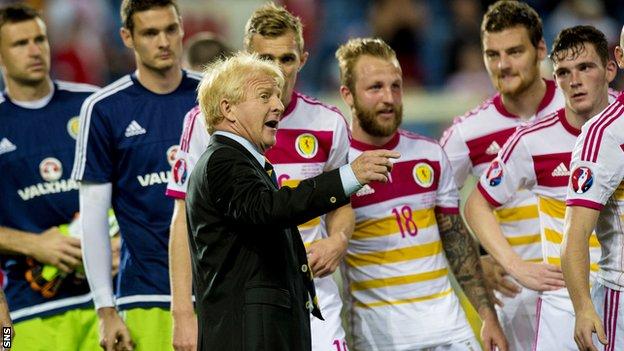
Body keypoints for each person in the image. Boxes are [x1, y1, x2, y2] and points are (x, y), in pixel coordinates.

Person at [166, 3, 354, 350]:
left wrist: (338, 240)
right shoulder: (205, 125)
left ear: (303, 58)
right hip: (250, 299)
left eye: (287, 59)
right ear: (246, 58)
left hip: (315, 295)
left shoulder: (329, 123)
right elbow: (184, 219)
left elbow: (343, 204)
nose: (277, 71)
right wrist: (183, 313)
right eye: (265, 59)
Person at [187, 51, 398, 351]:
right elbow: (270, 209)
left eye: (277, 96)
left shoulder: (242, 162)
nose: (279, 104)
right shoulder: (224, 160)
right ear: (228, 108)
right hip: (249, 338)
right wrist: (347, 176)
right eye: (264, 96)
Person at [335, 37, 507, 351]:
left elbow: (455, 239)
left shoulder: (429, 153)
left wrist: (487, 315)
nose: (389, 98)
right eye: (375, 88)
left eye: (396, 86)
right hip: (382, 341)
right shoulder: (338, 169)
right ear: (347, 94)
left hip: (451, 333)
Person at [467, 25, 618, 350]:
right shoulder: (530, 140)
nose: (574, 80)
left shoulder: (620, 128)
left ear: (609, 69)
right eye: (563, 72)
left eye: (585, 67)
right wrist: (513, 264)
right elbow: (476, 204)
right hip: (564, 307)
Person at [71, 0, 200, 350]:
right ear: (127, 36)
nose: (164, 41)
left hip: (215, 290)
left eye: (170, 29)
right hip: (144, 295)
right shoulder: (104, 109)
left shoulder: (212, 96)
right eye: (150, 33)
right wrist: (104, 309)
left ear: (182, 28)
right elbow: (94, 217)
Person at [440, 2, 566, 349]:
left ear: (541, 50)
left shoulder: (580, 109)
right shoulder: (467, 133)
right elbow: (430, 205)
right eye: (492, 54)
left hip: (589, 287)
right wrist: (477, 257)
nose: (503, 65)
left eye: (514, 52)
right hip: (518, 301)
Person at [0, 3, 102, 350]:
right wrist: (34, 244)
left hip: (104, 303)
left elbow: (129, 189)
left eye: (39, 39)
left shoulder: (92, 106)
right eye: (19, 43)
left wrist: (118, 243)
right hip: (23, 313)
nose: (34, 50)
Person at [562, 25, 624, 351]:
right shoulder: (604, 134)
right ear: (620, 58)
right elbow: (574, 233)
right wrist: (583, 307)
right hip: (620, 299)